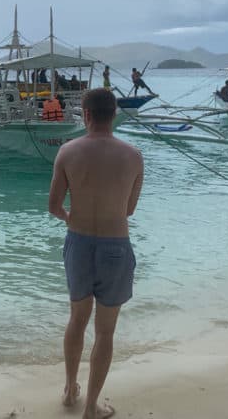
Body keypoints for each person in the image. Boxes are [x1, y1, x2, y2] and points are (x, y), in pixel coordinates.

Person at [48, 88, 143, 419]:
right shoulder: (133, 156)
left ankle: (70, 389)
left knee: (77, 319)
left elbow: (53, 206)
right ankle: (91, 406)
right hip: (115, 245)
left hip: (78, 243)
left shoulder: (67, 152)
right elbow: (129, 210)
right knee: (105, 331)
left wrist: (70, 217)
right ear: (114, 114)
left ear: (85, 115)